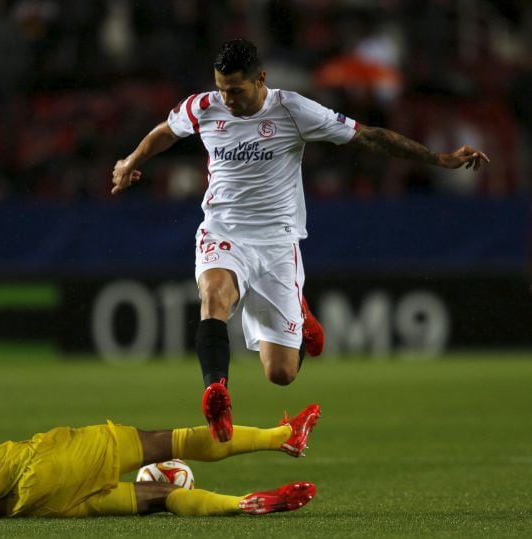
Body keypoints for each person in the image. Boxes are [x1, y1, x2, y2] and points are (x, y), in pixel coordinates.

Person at [111, 38, 489, 443]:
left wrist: (439, 159)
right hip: (222, 230)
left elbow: (369, 137)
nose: (227, 99)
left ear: (261, 79)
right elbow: (167, 132)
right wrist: (131, 161)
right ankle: (216, 393)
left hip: (276, 242)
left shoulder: (294, 110)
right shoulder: (204, 107)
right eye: (221, 88)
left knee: (281, 373)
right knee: (214, 297)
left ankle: (302, 314)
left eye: (235, 90)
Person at [0, 364, 321, 518]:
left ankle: (243, 504)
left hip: (33, 506)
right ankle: (284, 437)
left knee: (159, 498)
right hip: (38, 464)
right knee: (164, 442)